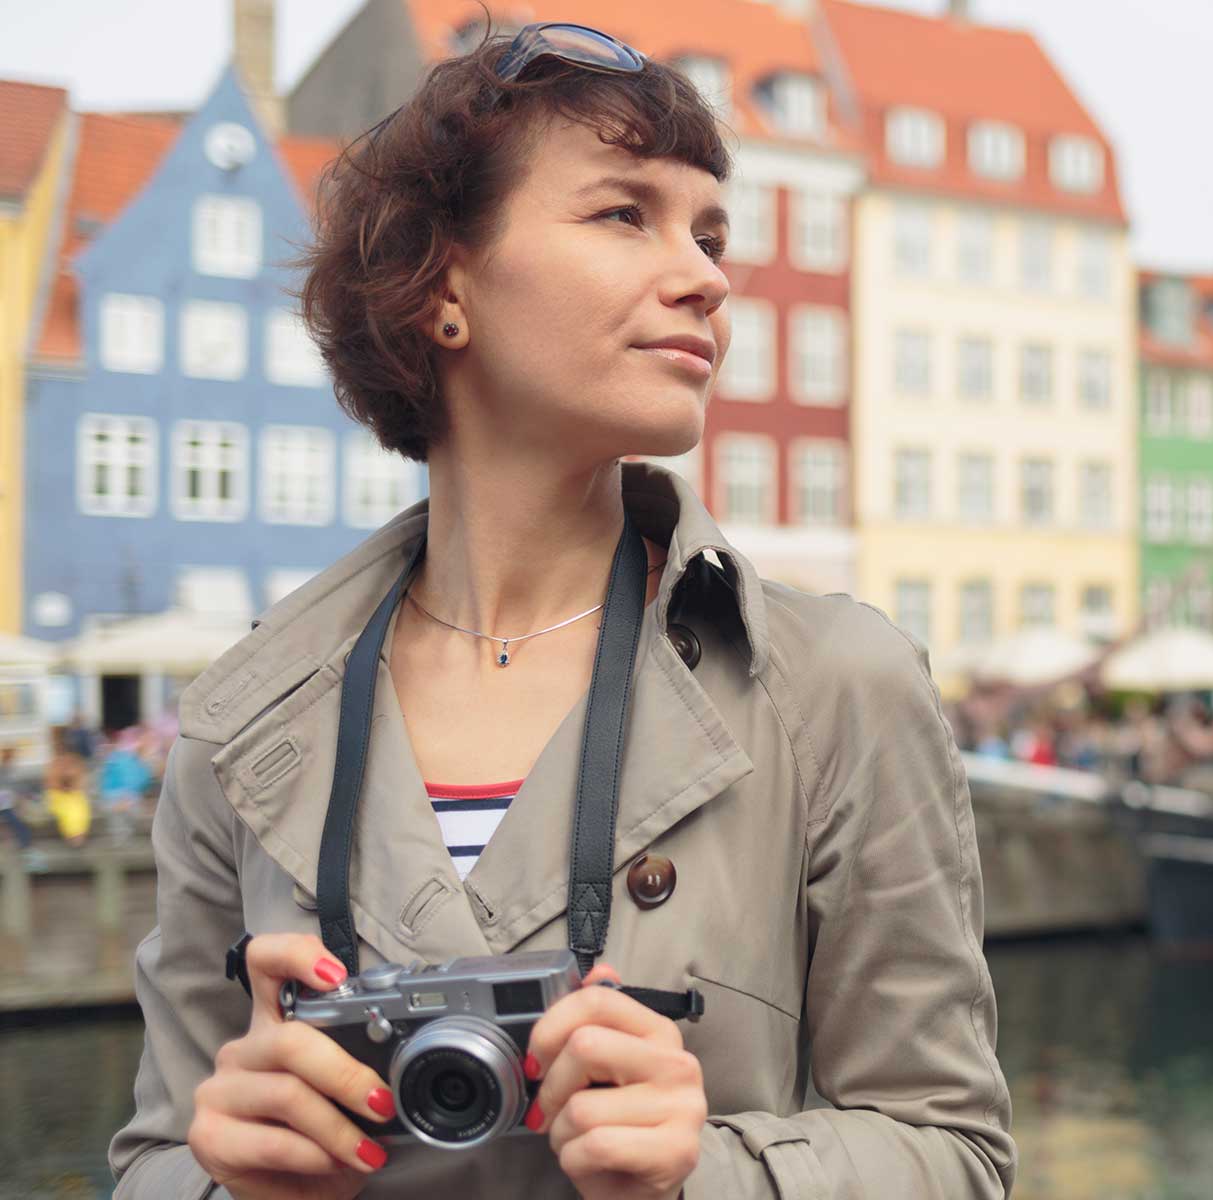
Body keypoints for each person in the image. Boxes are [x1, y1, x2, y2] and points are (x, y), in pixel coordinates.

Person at [109, 23, 1012, 1200]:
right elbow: (153, 1161)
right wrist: (230, 1179)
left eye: (710, 231)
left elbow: (957, 1155)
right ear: (443, 286)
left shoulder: (833, 688)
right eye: (623, 214)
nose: (706, 275)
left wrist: (708, 1174)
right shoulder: (239, 727)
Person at [0, 744, 32, 850]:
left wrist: (21, 802)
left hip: (8, 802)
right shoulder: (5, 771)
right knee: (13, 817)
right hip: (5, 802)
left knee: (15, 819)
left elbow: (20, 790)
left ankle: (25, 843)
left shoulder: (13, 771)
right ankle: (24, 842)